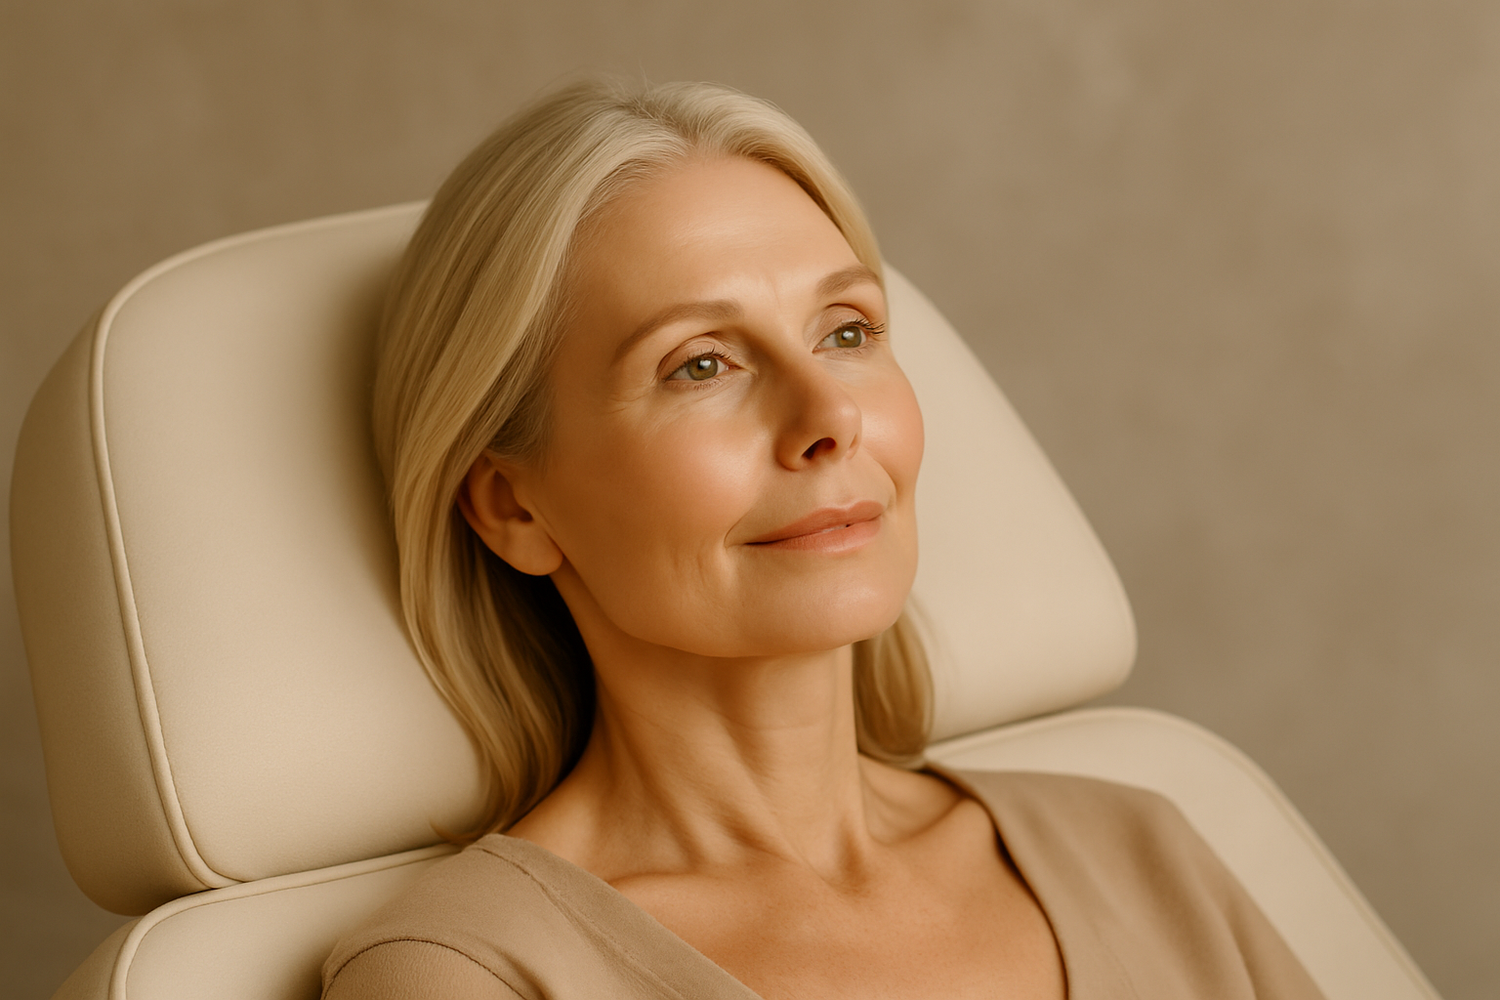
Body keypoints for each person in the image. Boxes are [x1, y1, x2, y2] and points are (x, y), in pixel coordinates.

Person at [322, 79, 1324, 999]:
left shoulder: (1140, 851)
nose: (830, 415)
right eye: (700, 364)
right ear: (513, 507)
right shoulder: (467, 975)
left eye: (846, 331)